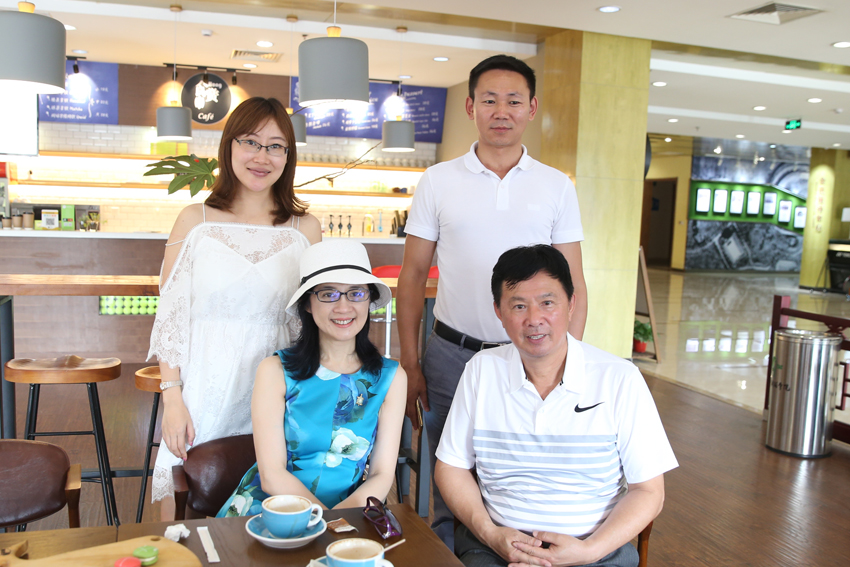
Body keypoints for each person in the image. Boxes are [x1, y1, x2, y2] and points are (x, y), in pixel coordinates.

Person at [397, 54, 587, 546]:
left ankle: (515, 550)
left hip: (530, 359)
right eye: (489, 100)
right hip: (451, 355)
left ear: (532, 108)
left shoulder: (555, 186)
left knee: (519, 474)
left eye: (513, 101)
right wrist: (411, 364)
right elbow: (412, 277)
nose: (501, 111)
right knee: (447, 473)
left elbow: (574, 284)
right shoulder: (438, 180)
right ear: (470, 107)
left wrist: (566, 363)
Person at [435, 245, 678, 567]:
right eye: (518, 306)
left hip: (595, 552)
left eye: (547, 303)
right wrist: (490, 534)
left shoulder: (619, 378)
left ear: (571, 304)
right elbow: (451, 467)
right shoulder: (482, 370)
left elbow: (648, 491)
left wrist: (589, 551)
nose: (534, 319)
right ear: (499, 312)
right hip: (496, 549)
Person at [147, 97, 322, 520]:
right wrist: (172, 398)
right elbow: (171, 315)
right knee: (188, 507)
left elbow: (312, 323)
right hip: (203, 389)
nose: (262, 157)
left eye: (276, 146)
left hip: (281, 392)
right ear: (229, 146)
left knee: (273, 507)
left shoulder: (306, 229)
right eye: (251, 142)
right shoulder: (195, 221)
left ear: (288, 156)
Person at [216, 240, 407, 516]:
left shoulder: (390, 378)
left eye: (356, 293)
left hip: (348, 515)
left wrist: (339, 522)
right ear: (307, 303)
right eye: (329, 294)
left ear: (369, 299)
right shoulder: (275, 371)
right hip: (269, 511)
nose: (344, 307)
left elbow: (382, 474)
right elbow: (271, 475)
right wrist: (326, 522)